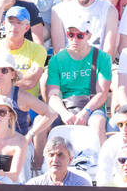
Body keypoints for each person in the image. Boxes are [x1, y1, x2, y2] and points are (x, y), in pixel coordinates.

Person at [44, 11, 111, 142]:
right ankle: (39, 162)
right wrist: (64, 113)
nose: (74, 40)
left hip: (91, 106)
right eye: (70, 35)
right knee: (41, 122)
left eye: (80, 35)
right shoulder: (56, 60)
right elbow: (53, 95)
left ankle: (102, 162)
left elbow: (102, 93)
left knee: (97, 123)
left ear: (89, 36)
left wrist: (85, 112)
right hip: (64, 105)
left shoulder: (102, 57)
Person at [49, 0, 117, 60]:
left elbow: (108, 51)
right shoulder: (58, 10)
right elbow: (59, 51)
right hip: (69, 65)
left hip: (98, 64)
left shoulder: (109, 9)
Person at [26, 135, 91, 184]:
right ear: (45, 158)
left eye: (60, 155)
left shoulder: (81, 185)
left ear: (70, 159)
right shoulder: (35, 184)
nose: (55, 159)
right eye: (51, 155)